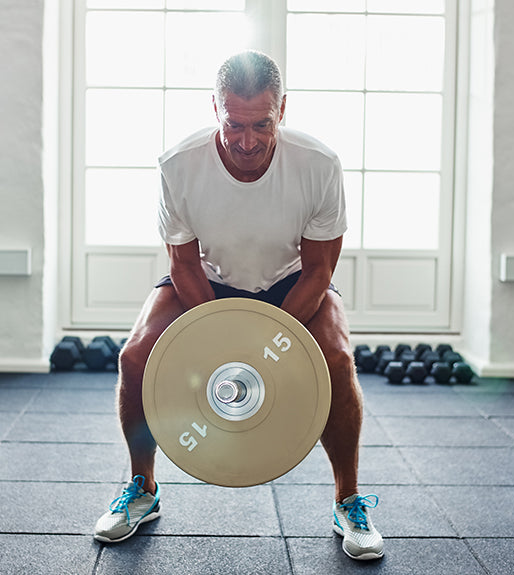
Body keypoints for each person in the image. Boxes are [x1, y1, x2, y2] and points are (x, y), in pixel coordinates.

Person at [93, 50, 383, 561]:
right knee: (134, 357)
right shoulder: (179, 165)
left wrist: (273, 342)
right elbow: (183, 264)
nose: (247, 141)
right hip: (209, 278)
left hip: (293, 282)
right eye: (234, 125)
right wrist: (219, 341)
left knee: (336, 360)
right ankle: (142, 489)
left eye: (261, 124)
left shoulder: (318, 165)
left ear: (283, 109)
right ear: (215, 109)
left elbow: (319, 269)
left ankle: (348, 499)